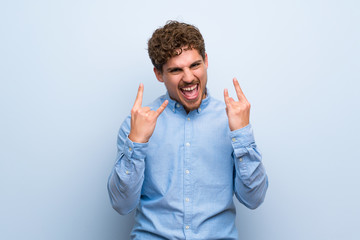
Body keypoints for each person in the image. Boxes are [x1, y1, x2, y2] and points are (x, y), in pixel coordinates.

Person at [107, 21, 268, 240]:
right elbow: (121, 204)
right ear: (159, 74)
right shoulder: (137, 124)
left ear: (206, 61)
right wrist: (137, 141)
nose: (189, 77)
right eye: (175, 70)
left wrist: (242, 135)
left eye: (195, 65)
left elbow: (254, 199)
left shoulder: (231, 120)